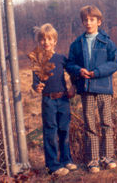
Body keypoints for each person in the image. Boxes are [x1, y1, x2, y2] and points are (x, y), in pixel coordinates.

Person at [66, 5, 117, 174]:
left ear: (99, 21)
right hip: (86, 89)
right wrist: (78, 71)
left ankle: (108, 157)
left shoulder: (107, 42)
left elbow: (115, 62)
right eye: (85, 20)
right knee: (90, 124)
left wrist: (97, 73)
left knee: (106, 123)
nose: (88, 23)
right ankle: (93, 160)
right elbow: (69, 64)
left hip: (103, 87)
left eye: (92, 20)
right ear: (82, 22)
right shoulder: (76, 44)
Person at [30, 23, 77, 177]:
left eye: (49, 39)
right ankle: (53, 165)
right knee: (50, 132)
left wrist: (73, 87)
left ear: (55, 41)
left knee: (64, 130)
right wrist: (36, 87)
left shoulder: (61, 58)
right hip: (48, 101)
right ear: (39, 42)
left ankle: (66, 160)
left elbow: (72, 72)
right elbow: (35, 81)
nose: (46, 42)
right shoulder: (37, 60)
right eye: (43, 40)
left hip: (63, 99)